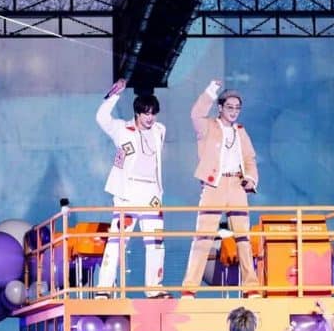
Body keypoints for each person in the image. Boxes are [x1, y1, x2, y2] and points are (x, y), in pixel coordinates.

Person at [181, 80, 261, 297]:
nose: (233, 112)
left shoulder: (241, 131)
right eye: (229, 107)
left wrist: (250, 179)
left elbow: (250, 159)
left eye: (237, 108)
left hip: (236, 185)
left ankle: (251, 287)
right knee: (204, 236)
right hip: (214, 185)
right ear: (220, 107)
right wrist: (210, 91)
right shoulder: (208, 126)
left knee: (243, 238)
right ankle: (189, 288)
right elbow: (196, 114)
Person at [94, 78, 169, 298]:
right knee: (117, 241)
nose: (150, 118)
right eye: (146, 113)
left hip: (152, 194)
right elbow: (101, 118)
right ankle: (104, 289)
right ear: (137, 113)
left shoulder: (159, 130)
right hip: (127, 192)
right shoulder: (121, 129)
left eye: (153, 113)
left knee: (155, 242)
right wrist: (114, 95)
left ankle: (154, 288)